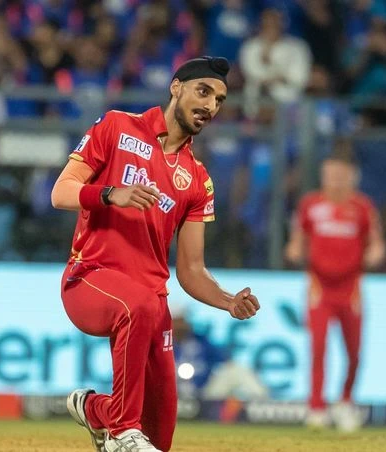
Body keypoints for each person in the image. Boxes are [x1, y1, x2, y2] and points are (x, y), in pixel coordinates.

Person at [51, 56, 260, 452]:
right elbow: (60, 191)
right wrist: (111, 194)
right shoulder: (116, 126)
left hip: (151, 303)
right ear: (176, 87)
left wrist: (228, 301)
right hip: (88, 278)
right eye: (203, 92)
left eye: (219, 100)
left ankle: (96, 411)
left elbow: (192, 270)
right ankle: (120, 430)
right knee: (139, 306)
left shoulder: (197, 179)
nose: (211, 106)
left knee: (159, 439)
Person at [285, 145, 386, 432]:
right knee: (317, 347)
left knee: (354, 351)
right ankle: (316, 407)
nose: (335, 180)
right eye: (330, 174)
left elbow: (376, 241)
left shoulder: (363, 207)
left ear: (353, 176)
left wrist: (376, 253)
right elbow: (298, 237)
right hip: (320, 287)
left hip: (350, 287)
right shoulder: (310, 204)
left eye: (341, 175)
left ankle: (345, 402)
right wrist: (294, 249)